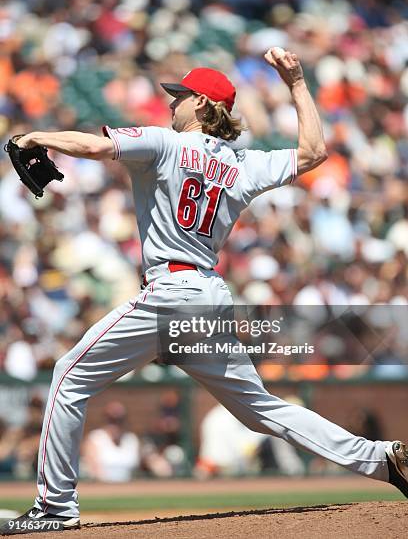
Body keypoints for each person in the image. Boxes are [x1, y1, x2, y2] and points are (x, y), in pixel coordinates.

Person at [1, 47, 407, 534]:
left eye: (180, 96)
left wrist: (34, 135)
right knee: (261, 410)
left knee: (68, 377)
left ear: (202, 104)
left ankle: (55, 508)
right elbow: (313, 152)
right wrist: (297, 82)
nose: (172, 104)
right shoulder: (241, 165)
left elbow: (93, 147)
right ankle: (383, 459)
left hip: (170, 293)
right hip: (209, 295)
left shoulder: (165, 145)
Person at [81, 401, 140, 482]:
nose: (115, 424)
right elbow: (93, 469)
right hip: (102, 488)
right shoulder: (95, 438)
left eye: (119, 420)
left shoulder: (131, 439)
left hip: (129, 489)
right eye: (111, 420)